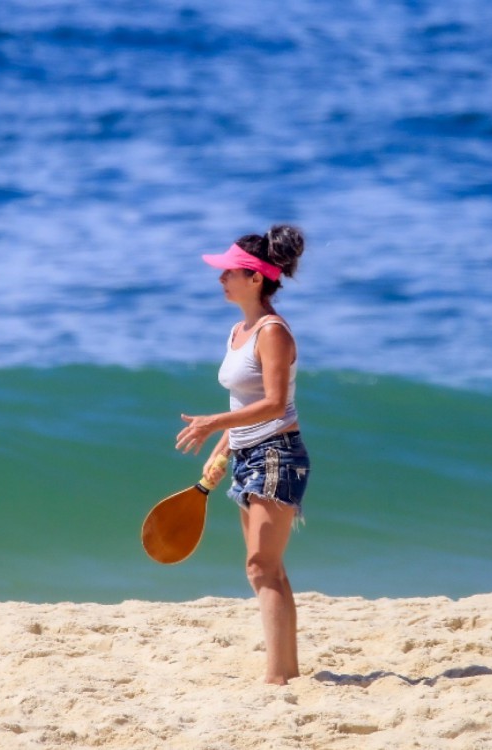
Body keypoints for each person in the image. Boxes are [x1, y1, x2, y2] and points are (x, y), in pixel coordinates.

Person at [176, 225, 311, 685]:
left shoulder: (272, 331)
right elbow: (243, 406)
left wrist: (213, 422)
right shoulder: (239, 330)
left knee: (261, 566)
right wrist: (219, 453)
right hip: (248, 454)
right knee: (265, 568)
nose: (221, 279)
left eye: (229, 272)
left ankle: (278, 677)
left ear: (255, 278)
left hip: (277, 454)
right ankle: (287, 670)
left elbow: (275, 403)